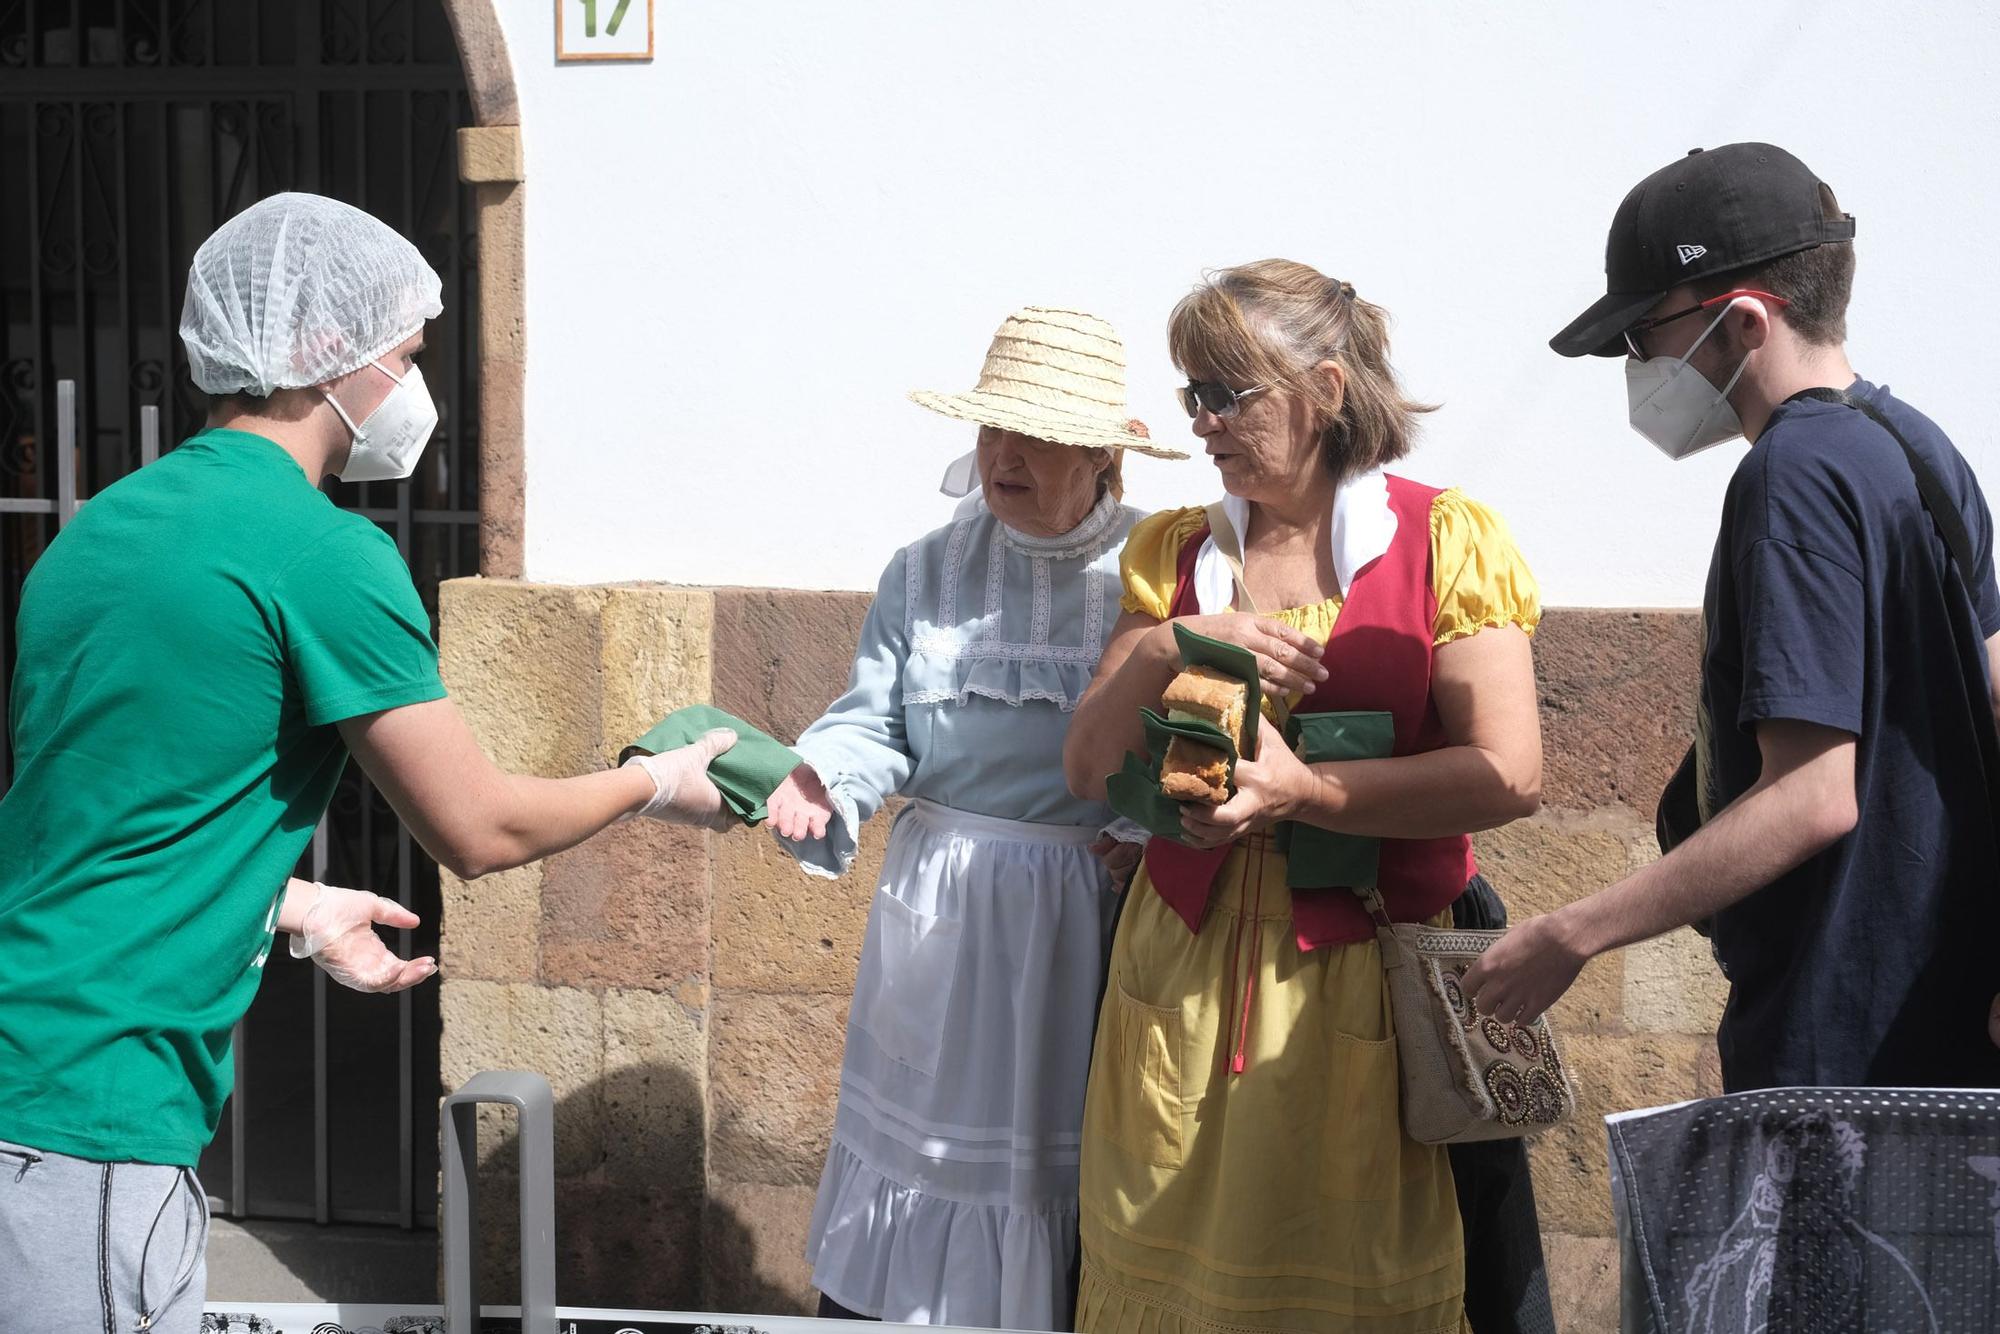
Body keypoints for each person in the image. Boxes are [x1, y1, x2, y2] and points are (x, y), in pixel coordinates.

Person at [0, 193, 734, 1333]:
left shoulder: (93, 532)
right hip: (91, 1119)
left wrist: (288, 904)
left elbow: (92, 825)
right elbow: (479, 827)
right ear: (321, 355)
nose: (412, 386)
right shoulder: (325, 553)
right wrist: (658, 779)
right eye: (404, 354)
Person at [1063, 260, 1545, 1334]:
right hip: (1178, 970)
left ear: (1324, 389)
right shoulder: (1176, 550)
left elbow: (1508, 771)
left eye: (1224, 393)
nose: (1200, 422)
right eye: (1190, 393)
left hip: (1359, 982)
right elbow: (1087, 765)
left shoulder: (1439, 540)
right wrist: (1170, 647)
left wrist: (1302, 790)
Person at [1466, 143, 2000, 1092]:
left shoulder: (1792, 476)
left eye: (1644, 337)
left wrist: (1571, 932)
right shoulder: (1916, 445)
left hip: (1843, 1050)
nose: (1635, 368)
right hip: (1942, 1025)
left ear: (1745, 320)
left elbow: (1812, 795)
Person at [763, 306, 1184, 1329]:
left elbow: (1185, 741)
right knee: (920, 1144)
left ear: (1098, 453)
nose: (1003, 454)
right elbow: (877, 721)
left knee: (1059, 1152)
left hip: (1085, 916)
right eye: (993, 428)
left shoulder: (1158, 568)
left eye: (1033, 434)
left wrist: (1143, 837)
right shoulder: (924, 569)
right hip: (943, 909)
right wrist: (827, 774)